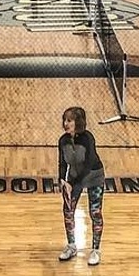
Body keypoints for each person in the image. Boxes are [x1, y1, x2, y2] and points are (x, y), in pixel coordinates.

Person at [57, 106, 106, 266]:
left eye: (69, 120)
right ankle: (71, 246)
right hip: (74, 177)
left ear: (78, 122)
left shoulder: (87, 139)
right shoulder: (63, 141)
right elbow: (62, 163)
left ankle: (95, 250)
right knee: (68, 210)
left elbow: (89, 163)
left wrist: (73, 183)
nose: (65, 123)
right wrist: (62, 180)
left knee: (95, 212)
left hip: (93, 176)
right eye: (65, 120)